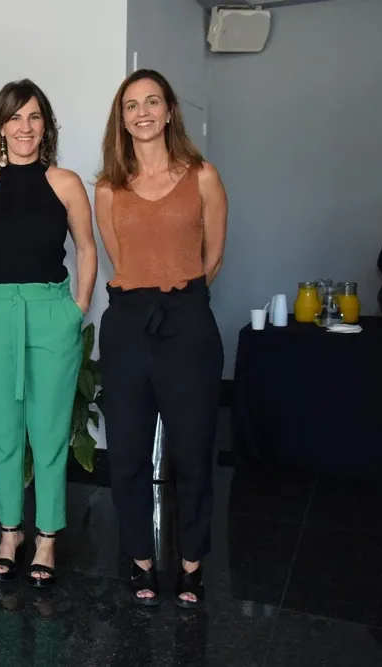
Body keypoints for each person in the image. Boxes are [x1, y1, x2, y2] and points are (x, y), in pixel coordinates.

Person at [0, 79, 97, 587]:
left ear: (46, 126)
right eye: (15, 118)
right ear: (0, 127)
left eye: (34, 117)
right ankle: (10, 532)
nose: (25, 127)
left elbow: (86, 248)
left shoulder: (66, 182)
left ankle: (48, 536)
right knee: (5, 431)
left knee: (50, 430)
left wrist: (75, 309)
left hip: (51, 310)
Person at [94, 69, 227, 609]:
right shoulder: (107, 187)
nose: (142, 112)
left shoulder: (203, 176)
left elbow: (212, 256)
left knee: (193, 451)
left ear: (170, 111)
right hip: (128, 324)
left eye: (153, 102)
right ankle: (140, 559)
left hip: (188, 323)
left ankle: (191, 563)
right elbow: (118, 257)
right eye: (131, 105)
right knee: (125, 452)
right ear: (121, 117)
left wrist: (181, 299)